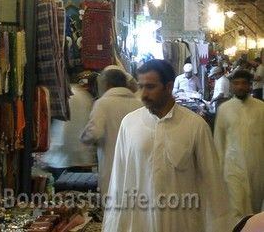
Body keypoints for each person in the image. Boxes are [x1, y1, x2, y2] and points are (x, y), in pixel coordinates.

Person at [103, 59, 230, 232]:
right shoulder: (129, 124)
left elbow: (212, 182)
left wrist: (218, 225)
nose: (143, 94)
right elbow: (119, 177)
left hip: (182, 222)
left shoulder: (195, 125)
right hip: (140, 221)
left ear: (169, 87)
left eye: (150, 87)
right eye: (141, 87)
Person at [80, 68, 142, 196]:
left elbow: (94, 132)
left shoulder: (102, 104)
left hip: (111, 165)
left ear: (107, 84)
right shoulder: (139, 105)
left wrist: (83, 139)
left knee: (113, 206)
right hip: (137, 167)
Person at [214, 69, 264, 223]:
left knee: (255, 208)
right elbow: (218, 141)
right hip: (232, 167)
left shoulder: (261, 108)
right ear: (232, 86)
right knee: (236, 208)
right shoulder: (224, 109)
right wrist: (218, 169)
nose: (240, 87)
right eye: (236, 83)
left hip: (257, 166)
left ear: (250, 85)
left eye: (244, 83)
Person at [41, 81, 97, 180]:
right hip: (81, 157)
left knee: (60, 192)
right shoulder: (86, 97)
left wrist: (50, 151)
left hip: (61, 158)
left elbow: (60, 128)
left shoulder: (62, 95)